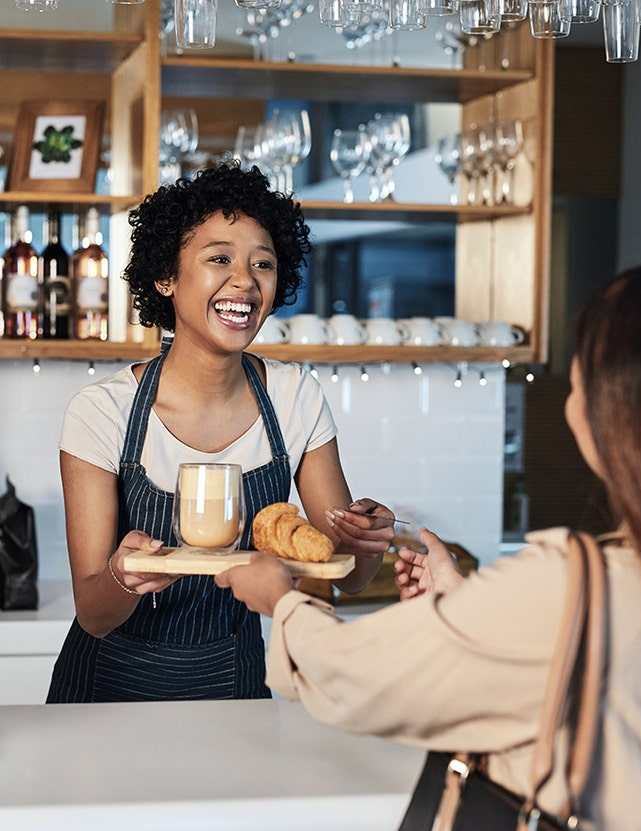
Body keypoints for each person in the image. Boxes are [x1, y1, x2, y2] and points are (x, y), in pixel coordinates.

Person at [215, 261, 641, 829]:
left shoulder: (572, 586)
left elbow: (358, 676)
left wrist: (283, 602)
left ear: (618, 412)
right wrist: (465, 606)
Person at [47, 161, 395, 704]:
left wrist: (365, 544)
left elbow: (343, 575)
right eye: (219, 258)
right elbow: (93, 613)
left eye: (263, 263)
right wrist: (122, 576)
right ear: (165, 276)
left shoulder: (294, 398)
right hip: (107, 694)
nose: (246, 281)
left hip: (235, 686)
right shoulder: (103, 412)